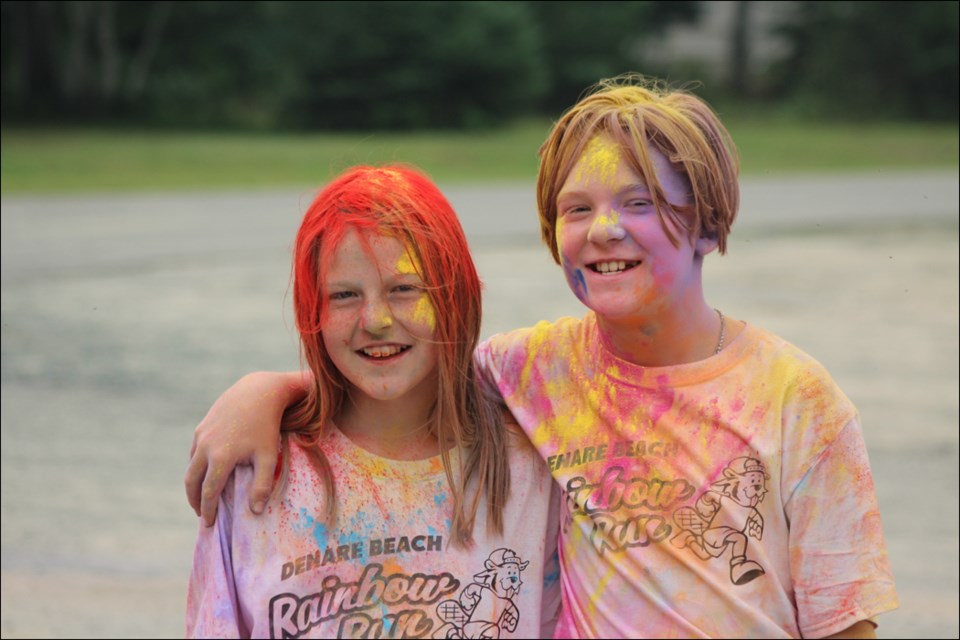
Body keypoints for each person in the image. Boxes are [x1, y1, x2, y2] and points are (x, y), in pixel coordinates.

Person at [186, 75, 898, 638]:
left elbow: (845, 620)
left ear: (708, 222)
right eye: (577, 209)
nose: (605, 229)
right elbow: (400, 363)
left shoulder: (797, 398)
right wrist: (268, 390)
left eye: (641, 202)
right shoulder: (535, 371)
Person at [186, 165, 560, 638]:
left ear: (457, 296)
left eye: (404, 289)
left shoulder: (530, 469)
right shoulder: (258, 473)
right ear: (311, 313)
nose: (376, 319)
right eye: (344, 295)